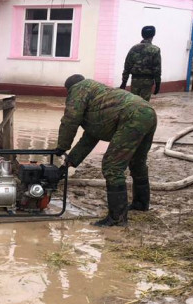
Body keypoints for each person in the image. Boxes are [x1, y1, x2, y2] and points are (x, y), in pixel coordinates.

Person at [55, 74, 157, 227]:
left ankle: (117, 219)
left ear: (69, 90)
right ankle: (141, 204)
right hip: (148, 112)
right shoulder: (98, 98)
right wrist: (67, 164)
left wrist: (61, 147)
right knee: (137, 162)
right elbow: (89, 139)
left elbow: (70, 119)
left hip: (131, 115)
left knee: (112, 166)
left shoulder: (78, 90)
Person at [120, 25, 162, 101]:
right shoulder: (155, 50)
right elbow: (157, 69)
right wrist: (158, 84)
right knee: (144, 104)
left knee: (134, 103)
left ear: (142, 35)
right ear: (153, 35)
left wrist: (124, 82)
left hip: (135, 80)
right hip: (148, 81)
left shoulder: (134, 48)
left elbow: (127, 66)